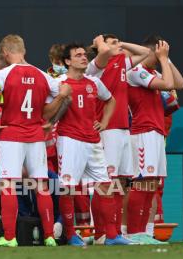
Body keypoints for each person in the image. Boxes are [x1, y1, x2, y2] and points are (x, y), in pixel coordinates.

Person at [0, 34, 71, 248]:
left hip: (12, 134)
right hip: (36, 136)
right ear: (24, 50)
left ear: (5, 53)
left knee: (8, 185)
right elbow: (51, 109)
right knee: (41, 185)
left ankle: (10, 238)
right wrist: (59, 98)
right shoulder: (43, 76)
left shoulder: (3, 75)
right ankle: (49, 235)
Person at [55, 43, 132, 246]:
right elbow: (47, 109)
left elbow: (111, 101)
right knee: (69, 188)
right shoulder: (58, 83)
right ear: (67, 61)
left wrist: (104, 122)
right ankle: (70, 235)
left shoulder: (94, 83)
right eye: (77, 55)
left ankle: (110, 235)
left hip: (93, 141)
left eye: (84, 54)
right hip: (70, 140)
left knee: (106, 186)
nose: (83, 57)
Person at [86, 34, 150, 243]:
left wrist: (121, 44)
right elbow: (104, 51)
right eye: (113, 43)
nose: (118, 46)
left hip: (123, 129)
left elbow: (145, 52)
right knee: (105, 183)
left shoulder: (121, 62)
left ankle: (114, 232)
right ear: (101, 47)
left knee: (121, 183)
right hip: (107, 129)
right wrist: (102, 44)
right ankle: (101, 233)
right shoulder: (97, 66)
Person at [126, 36, 183, 244]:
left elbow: (179, 83)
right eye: (158, 52)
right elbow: (168, 83)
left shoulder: (153, 72)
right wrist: (162, 58)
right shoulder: (136, 71)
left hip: (157, 132)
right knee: (141, 184)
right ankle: (133, 233)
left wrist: (167, 60)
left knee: (151, 185)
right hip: (142, 131)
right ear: (149, 52)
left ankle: (143, 232)